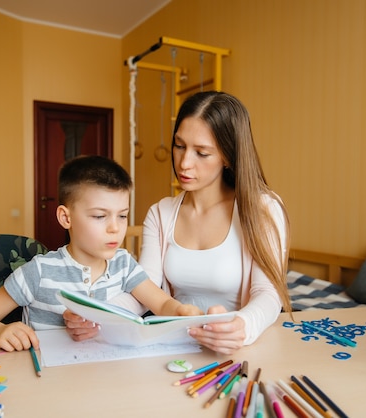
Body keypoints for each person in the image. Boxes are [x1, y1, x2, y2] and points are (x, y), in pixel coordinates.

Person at [64, 91, 291, 355]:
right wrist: (96, 314)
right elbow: (144, 287)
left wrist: (243, 326)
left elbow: (268, 292)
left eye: (202, 153)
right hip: (175, 347)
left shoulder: (263, 209)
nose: (184, 163)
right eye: (180, 146)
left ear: (228, 156)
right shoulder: (161, 213)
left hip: (238, 350)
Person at [0, 155, 202, 352]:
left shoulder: (124, 265)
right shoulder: (39, 271)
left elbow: (163, 304)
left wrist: (183, 311)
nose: (115, 228)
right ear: (66, 218)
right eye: (100, 216)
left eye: (122, 215)